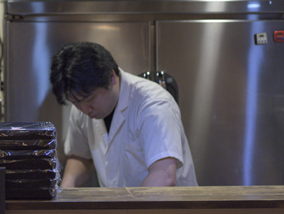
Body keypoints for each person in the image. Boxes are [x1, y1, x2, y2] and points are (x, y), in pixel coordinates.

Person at [50, 42, 197, 188]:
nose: (85, 110)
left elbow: (163, 176)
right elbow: (81, 156)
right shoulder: (82, 106)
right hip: (121, 208)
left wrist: (128, 212)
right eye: (75, 103)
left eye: (90, 99)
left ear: (111, 77)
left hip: (168, 210)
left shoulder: (153, 104)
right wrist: (66, 190)